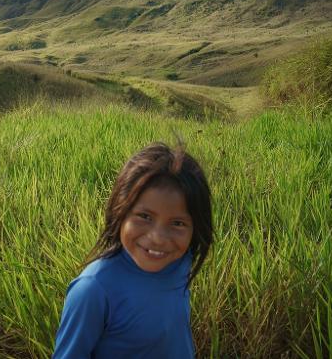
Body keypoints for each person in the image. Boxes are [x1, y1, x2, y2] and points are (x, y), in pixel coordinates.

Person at [52, 143, 213, 358]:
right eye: (145, 217)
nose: (157, 238)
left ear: (195, 228)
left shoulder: (179, 262)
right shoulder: (94, 290)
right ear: (120, 211)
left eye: (177, 223)